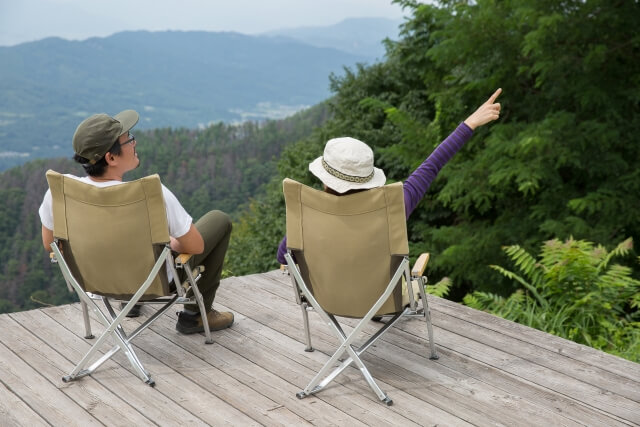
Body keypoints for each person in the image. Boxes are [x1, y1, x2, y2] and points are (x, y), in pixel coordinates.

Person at [39, 110, 234, 333]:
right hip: (152, 282)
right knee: (219, 220)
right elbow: (195, 246)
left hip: (92, 282)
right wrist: (167, 241)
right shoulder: (153, 194)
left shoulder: (59, 193)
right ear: (111, 158)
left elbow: (51, 245)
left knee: (123, 244)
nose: (135, 142)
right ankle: (196, 316)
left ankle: (130, 305)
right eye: (129, 139)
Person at [277, 88, 502, 264]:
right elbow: (431, 165)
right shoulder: (394, 205)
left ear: (325, 179)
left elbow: (283, 258)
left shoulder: (308, 216)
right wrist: (469, 123)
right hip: (380, 304)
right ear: (367, 178)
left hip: (323, 303)